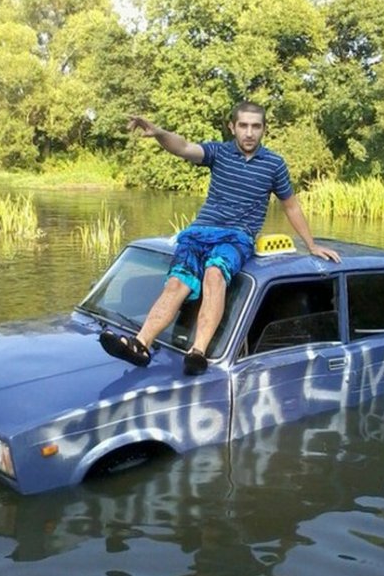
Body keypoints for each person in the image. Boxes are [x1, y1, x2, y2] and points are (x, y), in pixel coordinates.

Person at [100, 101, 340, 374]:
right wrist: (159, 132)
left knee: (215, 274)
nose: (249, 132)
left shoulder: (274, 164)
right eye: (243, 126)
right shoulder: (219, 152)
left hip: (237, 237)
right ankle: (141, 345)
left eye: (255, 126)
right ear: (232, 127)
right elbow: (183, 147)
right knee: (178, 282)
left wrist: (311, 244)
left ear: (264, 129)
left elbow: (291, 206)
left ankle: (197, 352)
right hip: (199, 233)